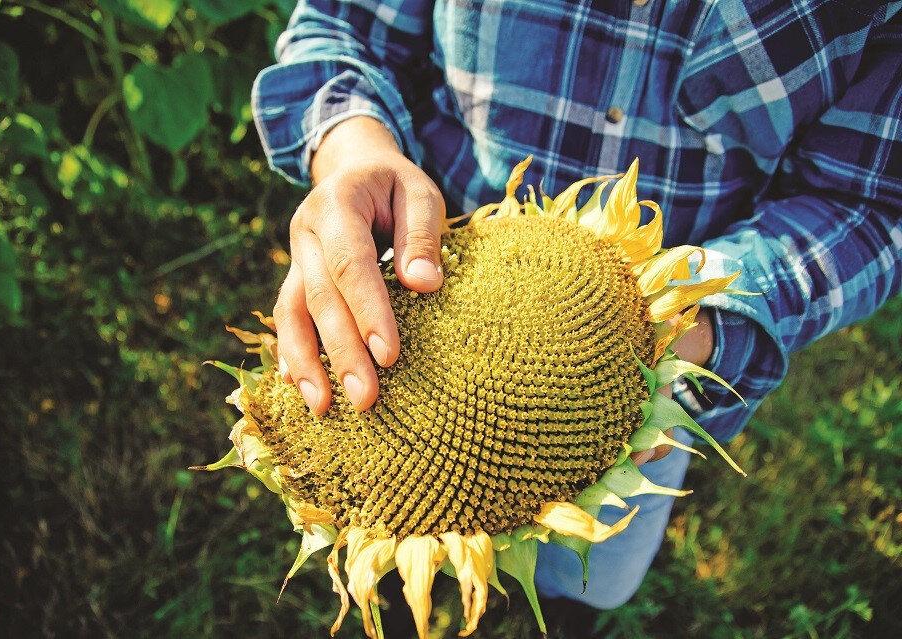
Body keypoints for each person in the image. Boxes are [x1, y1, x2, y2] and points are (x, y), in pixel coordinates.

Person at [251, 0, 902, 634]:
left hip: (657, 350)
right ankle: (395, 595)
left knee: (591, 573)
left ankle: (552, 612)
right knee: (387, 528)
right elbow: (342, 26)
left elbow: (870, 200)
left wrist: (684, 319)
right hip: (417, 278)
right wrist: (354, 153)